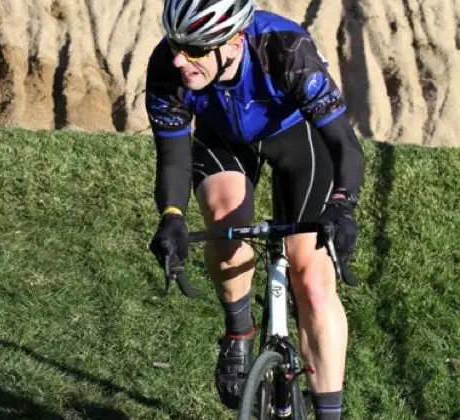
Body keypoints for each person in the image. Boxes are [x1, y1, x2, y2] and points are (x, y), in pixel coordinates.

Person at [145, 0, 365, 418]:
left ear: (233, 42)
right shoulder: (167, 68)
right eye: (176, 44)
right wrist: (172, 215)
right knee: (227, 224)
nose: (178, 59)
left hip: (298, 137)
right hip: (223, 139)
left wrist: (343, 205)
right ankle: (238, 331)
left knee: (312, 281)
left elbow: (343, 144)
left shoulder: (284, 49)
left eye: (193, 48)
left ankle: (329, 412)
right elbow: (173, 159)